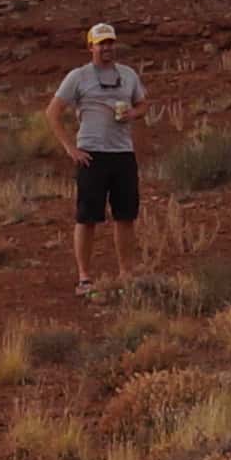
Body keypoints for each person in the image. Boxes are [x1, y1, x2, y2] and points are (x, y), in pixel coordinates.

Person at [48, 19, 148, 295]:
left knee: (125, 215)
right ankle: (84, 277)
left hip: (123, 153)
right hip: (91, 155)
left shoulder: (128, 75)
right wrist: (70, 148)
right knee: (87, 217)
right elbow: (53, 112)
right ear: (91, 46)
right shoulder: (78, 76)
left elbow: (143, 104)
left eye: (110, 42)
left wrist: (133, 114)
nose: (107, 47)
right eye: (101, 43)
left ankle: (126, 272)